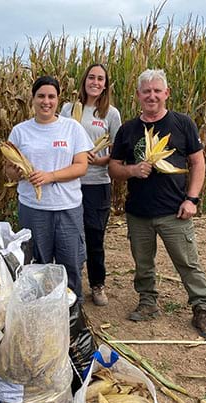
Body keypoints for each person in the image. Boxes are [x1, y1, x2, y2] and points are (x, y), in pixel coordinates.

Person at [108, 69, 206, 340]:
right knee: (142, 262)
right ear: (138, 96)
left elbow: (197, 162)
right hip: (139, 212)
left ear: (166, 93)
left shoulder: (182, 124)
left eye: (157, 91)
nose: (152, 96)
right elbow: (113, 168)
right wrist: (132, 171)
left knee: (187, 262)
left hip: (175, 211)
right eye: (146, 91)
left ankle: (201, 308)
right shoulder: (128, 130)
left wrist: (192, 199)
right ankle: (148, 302)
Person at [4, 75, 93, 303]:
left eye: (51, 96)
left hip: (67, 208)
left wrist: (50, 176)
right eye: (41, 96)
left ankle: (73, 311)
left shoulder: (72, 128)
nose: (46, 101)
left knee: (70, 264)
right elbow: (9, 173)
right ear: (32, 99)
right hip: (33, 208)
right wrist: (18, 170)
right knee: (36, 265)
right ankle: (39, 310)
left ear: (58, 99)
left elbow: (81, 166)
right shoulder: (20, 131)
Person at [59, 64, 121, 307]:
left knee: (95, 236)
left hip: (96, 182)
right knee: (69, 237)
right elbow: (60, 139)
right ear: (84, 80)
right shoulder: (68, 109)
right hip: (70, 182)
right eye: (91, 77)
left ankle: (97, 284)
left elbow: (118, 149)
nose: (95, 82)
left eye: (100, 79)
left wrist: (102, 159)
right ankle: (68, 285)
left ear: (105, 84)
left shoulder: (110, 114)